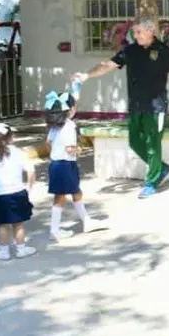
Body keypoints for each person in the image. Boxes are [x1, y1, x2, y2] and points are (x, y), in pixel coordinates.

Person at [75, 17, 169, 199]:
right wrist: (86, 75)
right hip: (135, 105)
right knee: (134, 142)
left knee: (152, 145)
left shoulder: (164, 51)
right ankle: (162, 168)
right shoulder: (130, 51)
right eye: (134, 32)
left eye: (139, 32)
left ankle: (152, 182)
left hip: (156, 106)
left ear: (151, 30)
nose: (135, 35)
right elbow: (107, 66)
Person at [44, 86, 106, 241]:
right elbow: (70, 149)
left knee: (76, 192)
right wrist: (80, 150)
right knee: (61, 197)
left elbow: (48, 144)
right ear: (70, 110)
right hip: (66, 164)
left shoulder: (55, 126)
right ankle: (55, 230)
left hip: (56, 164)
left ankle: (86, 221)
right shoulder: (69, 126)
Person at [0, 124, 36, 260]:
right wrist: (29, 188)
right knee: (18, 223)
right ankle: (21, 249)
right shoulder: (19, 153)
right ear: (10, 138)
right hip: (17, 192)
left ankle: (4, 252)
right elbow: (31, 171)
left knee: (2, 225)